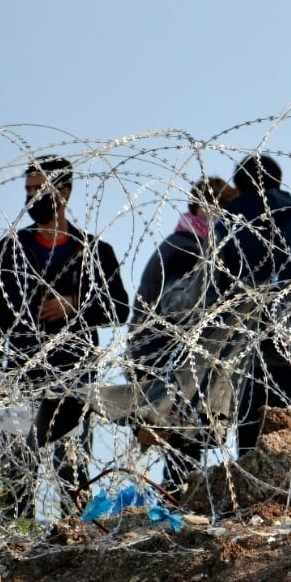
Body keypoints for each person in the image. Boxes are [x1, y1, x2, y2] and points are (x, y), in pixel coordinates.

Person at [0, 156, 129, 523]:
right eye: (28, 190)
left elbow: (120, 307)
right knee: (17, 469)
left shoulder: (94, 251)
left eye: (39, 190)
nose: (32, 197)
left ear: (63, 192)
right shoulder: (12, 249)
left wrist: (74, 305)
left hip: (74, 376)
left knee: (72, 469)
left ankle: (74, 540)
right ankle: (16, 540)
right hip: (22, 372)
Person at [126, 176, 234, 496]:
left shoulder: (181, 244)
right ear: (204, 207)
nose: (228, 218)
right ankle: (174, 505)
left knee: (183, 442)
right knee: (184, 442)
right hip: (170, 359)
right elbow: (177, 307)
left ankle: (174, 503)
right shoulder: (187, 249)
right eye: (223, 209)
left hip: (160, 355)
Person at [218, 154, 291, 455]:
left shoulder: (227, 224)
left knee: (253, 448)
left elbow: (217, 287)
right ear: (278, 182)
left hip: (250, 348)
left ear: (239, 186)